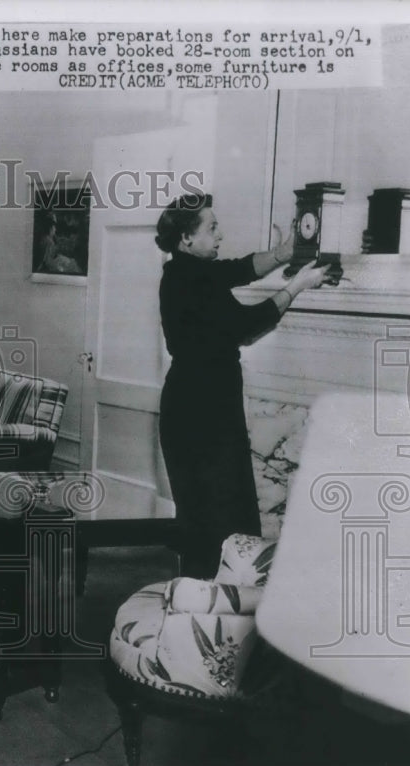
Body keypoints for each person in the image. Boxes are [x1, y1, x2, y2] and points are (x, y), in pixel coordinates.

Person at [156, 194, 328, 578]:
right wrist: (297, 285)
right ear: (187, 238)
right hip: (201, 414)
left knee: (211, 517)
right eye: (212, 228)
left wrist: (284, 253)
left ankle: (205, 607)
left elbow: (241, 269)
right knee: (218, 519)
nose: (220, 234)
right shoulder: (190, 281)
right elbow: (247, 326)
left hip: (198, 407)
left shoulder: (186, 270)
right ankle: (208, 613)